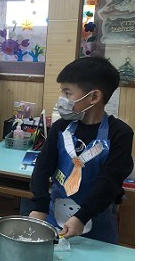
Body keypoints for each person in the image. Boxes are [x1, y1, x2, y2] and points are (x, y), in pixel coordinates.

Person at [28, 57, 134, 244]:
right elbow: (42, 169)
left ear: (94, 97)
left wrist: (82, 216)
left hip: (97, 221)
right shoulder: (61, 127)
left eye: (67, 93)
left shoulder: (120, 133)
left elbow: (109, 182)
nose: (62, 99)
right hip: (54, 217)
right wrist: (40, 206)